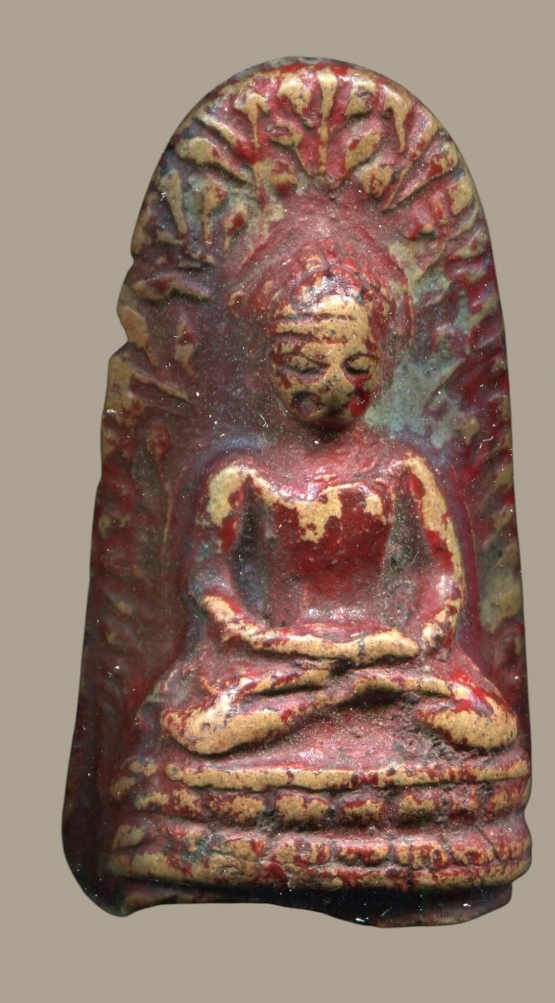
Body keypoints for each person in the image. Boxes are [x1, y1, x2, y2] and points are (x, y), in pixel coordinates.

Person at [149, 240, 517, 757]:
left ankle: (338, 700)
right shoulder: (242, 478)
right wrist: (274, 641)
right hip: (280, 658)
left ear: (383, 364)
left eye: (357, 366)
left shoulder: (402, 472)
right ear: (268, 365)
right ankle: (333, 701)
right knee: (207, 723)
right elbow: (212, 585)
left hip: (387, 655)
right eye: (307, 365)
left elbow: (441, 575)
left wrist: (417, 639)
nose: (335, 385)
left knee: (489, 722)